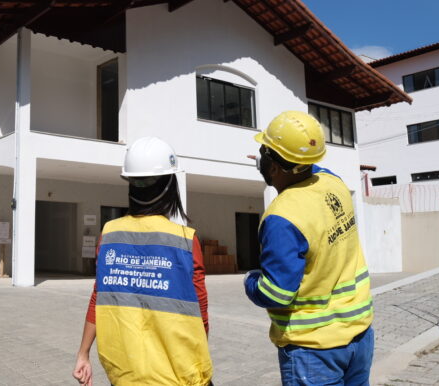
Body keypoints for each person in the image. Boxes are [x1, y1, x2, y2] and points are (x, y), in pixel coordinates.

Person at [244, 110, 374, 385]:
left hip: (314, 350)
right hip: (360, 335)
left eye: (264, 154)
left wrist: (251, 281)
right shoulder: (334, 183)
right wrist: (268, 159)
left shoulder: (283, 217)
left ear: (275, 167)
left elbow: (277, 294)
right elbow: (312, 167)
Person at [73, 136, 213, 386]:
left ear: (131, 185)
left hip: (125, 375)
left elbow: (99, 297)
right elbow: (200, 314)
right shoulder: (185, 240)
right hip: (178, 375)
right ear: (170, 186)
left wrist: (83, 354)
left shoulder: (109, 233)